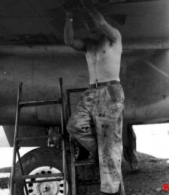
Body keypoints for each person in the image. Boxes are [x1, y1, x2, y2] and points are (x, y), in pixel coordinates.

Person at [64, 0, 124, 194]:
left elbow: (100, 23)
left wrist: (85, 4)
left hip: (110, 90)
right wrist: (69, 15)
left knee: (108, 146)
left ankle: (110, 191)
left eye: (91, 22)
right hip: (91, 91)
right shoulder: (88, 46)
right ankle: (107, 152)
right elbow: (68, 40)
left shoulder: (114, 37)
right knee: (74, 125)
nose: (90, 26)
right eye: (86, 24)